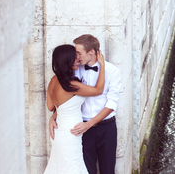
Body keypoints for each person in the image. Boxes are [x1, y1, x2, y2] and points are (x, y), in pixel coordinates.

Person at [50, 34, 122, 174]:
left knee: (108, 170)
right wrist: (53, 117)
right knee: (86, 171)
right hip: (81, 129)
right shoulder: (76, 68)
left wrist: (89, 124)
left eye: (78, 53)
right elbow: (67, 98)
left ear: (92, 52)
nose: (76, 57)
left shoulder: (112, 71)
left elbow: (112, 103)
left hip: (106, 128)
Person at [44, 44, 106, 174]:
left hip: (60, 131)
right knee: (73, 168)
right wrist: (102, 65)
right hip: (71, 133)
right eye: (74, 57)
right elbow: (99, 90)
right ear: (66, 60)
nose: (78, 59)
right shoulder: (72, 85)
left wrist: (53, 116)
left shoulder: (52, 81)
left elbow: (51, 106)